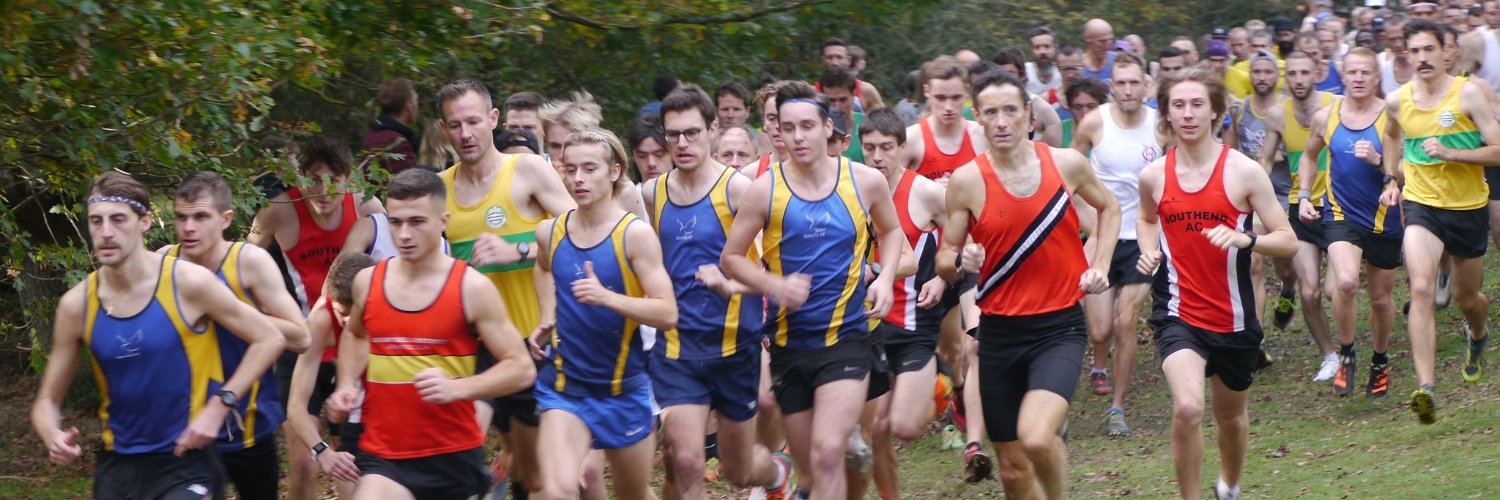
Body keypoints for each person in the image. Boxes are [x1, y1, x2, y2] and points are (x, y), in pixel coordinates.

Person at [32, 172, 286, 499]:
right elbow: (47, 401)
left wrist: (220, 405)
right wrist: (52, 434)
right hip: (119, 465)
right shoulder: (75, 305)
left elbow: (269, 338)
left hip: (186, 459)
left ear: (145, 221)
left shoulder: (188, 283)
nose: (106, 232)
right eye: (96, 221)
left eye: (118, 219)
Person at [936, 69, 1120, 500]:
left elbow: (1109, 209)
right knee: (1014, 470)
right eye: (991, 113)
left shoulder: (1066, 164)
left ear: (1029, 117)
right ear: (977, 118)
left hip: (1058, 328)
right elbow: (944, 259)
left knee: (1036, 438)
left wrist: (1102, 264)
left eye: (1010, 111)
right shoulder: (967, 181)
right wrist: (961, 261)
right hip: (998, 333)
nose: (1001, 121)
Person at [720, 81, 905, 500]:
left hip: (847, 338)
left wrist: (888, 279)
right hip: (788, 342)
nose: (798, 136)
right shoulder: (765, 189)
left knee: (826, 454)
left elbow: (891, 231)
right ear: (777, 133)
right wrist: (773, 285)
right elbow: (731, 258)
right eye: (788, 127)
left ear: (828, 127)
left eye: (807, 125)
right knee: (810, 473)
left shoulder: (864, 181)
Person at [1136, 66, 1299, 500]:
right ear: (1166, 115)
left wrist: (1247, 239)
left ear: (1215, 113)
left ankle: (1228, 486)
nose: (1187, 114)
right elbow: (1146, 217)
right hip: (1177, 312)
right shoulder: (1154, 176)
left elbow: (1289, 242)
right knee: (1188, 407)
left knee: (1231, 419)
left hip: (1234, 318)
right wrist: (1148, 248)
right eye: (1178, 106)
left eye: (1197, 105)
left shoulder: (1243, 172)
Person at [324, 168, 537, 499]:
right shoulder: (368, 282)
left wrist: (459, 388)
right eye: (395, 222)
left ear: (443, 221)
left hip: (450, 457)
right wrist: (347, 385)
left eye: (417, 221)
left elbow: (521, 368)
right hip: (384, 453)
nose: (404, 234)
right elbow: (356, 334)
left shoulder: (471, 288)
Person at [640, 85, 794, 500]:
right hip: (677, 349)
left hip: (734, 348)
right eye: (673, 135)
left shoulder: (737, 190)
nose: (682, 144)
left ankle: (776, 473)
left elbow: (769, 272)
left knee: (738, 471)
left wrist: (729, 284)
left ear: (712, 129)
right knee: (686, 461)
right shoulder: (652, 193)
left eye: (692, 133)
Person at [435, 78, 577, 498]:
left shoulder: (526, 170)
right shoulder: (438, 189)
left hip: (532, 341)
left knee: (531, 476)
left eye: (474, 121)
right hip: (471, 345)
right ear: (443, 130)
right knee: (460, 451)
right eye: (455, 124)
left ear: (493, 119)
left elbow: (581, 233)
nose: (465, 133)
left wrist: (515, 249)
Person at [528, 129, 678, 500]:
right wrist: (547, 314)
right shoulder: (551, 232)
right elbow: (543, 267)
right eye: (571, 168)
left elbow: (667, 312)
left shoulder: (635, 235)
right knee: (553, 491)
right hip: (565, 387)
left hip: (622, 389)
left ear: (613, 172)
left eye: (589, 169)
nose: (578, 179)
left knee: (634, 494)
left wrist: (608, 298)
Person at [160, 172, 312, 500]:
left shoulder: (247, 261)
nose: (189, 228)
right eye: (181, 217)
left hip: (247, 425)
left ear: (225, 219)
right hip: (184, 426)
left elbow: (301, 336)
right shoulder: (163, 262)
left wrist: (229, 312)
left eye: (201, 217)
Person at [248, 135, 383, 500]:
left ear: (349, 179)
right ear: (299, 176)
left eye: (333, 181)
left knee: (350, 464)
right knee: (305, 463)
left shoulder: (367, 206)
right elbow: (242, 265)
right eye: (312, 180)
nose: (322, 192)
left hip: (353, 341)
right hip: (304, 341)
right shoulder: (278, 209)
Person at [1385, 19, 1500, 424]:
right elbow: (1390, 135)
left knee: (1469, 300)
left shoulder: (1467, 94)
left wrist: (1453, 154)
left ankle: (1479, 334)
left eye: (1428, 49)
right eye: (1413, 51)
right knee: (1420, 287)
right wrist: (1390, 177)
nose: (1421, 57)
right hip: (1422, 205)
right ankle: (1427, 388)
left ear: (1444, 51)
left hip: (1467, 208)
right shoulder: (1398, 101)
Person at [1294, 48, 1404, 398]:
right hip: (1341, 215)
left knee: (1381, 300)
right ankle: (1346, 354)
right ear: (1344, 76)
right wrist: (1305, 195)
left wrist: (1378, 163)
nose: (1358, 79)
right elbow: (1308, 157)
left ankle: (1380, 361)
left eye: (1365, 73)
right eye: (1352, 72)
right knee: (1343, 282)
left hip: (1384, 217)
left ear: (1376, 78)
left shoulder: (1392, 117)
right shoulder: (1326, 117)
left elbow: (1406, 169)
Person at [855, 107, 949, 499]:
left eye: (886, 148)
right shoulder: (850, 188)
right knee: (874, 432)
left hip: (913, 324)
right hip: (864, 325)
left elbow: (967, 235)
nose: (877, 157)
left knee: (905, 428)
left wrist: (943, 276)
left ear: (902, 148)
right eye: (869, 148)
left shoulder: (925, 191)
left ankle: (940, 385)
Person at [1070, 53, 1163, 437]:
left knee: (1127, 322)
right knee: (1100, 330)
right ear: (1111, 86)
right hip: (1104, 237)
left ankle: (1117, 407)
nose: (1127, 90)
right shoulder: (1095, 122)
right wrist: (1089, 224)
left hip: (1145, 238)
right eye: (1120, 83)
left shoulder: (1161, 126)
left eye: (1134, 82)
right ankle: (1098, 365)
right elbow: (1068, 174)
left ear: (1146, 84)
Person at [1261, 51, 1339, 383]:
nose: (1298, 79)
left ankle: (1346, 346)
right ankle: (1330, 356)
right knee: (1311, 292)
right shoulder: (1278, 115)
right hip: (1300, 207)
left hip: (1338, 206)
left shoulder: (1335, 105)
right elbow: (1264, 161)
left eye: (1304, 72)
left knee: (1337, 289)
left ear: (1317, 73)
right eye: (1292, 73)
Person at [1224, 50, 1294, 369]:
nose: (1262, 77)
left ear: (1276, 76)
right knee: (1253, 264)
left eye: (1268, 71)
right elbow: (1234, 147)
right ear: (1250, 76)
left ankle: (1289, 289)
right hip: (1253, 193)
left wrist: (1279, 157)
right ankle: (1258, 340)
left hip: (1284, 191)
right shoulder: (1241, 110)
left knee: (1285, 266)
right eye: (1257, 72)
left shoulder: (1285, 110)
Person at [286, 252, 373, 492]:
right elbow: (296, 405)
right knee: (346, 480)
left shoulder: (389, 301)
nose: (348, 322)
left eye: (355, 313)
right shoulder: (321, 320)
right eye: (341, 314)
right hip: (349, 404)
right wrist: (321, 451)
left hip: (385, 409)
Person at [901, 56, 988, 183]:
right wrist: (931, 191)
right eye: (941, 98)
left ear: (967, 91)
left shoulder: (983, 136)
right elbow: (891, 194)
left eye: (956, 98)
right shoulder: (910, 139)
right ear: (927, 91)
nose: (948, 107)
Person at [361, 77, 422, 174]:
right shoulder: (398, 143)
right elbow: (411, 185)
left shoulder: (371, 135)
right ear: (409, 104)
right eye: (416, 101)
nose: (417, 106)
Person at [818, 38, 885, 110]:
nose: (835, 63)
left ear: (849, 60)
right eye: (829, 57)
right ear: (823, 61)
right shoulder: (813, 93)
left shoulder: (867, 91)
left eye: (839, 57)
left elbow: (882, 119)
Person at [820, 66, 867, 163]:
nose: (837, 106)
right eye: (831, 100)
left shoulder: (867, 124)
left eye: (843, 100)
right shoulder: (812, 128)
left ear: (854, 94)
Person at [628, 115, 672, 182]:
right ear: (633, 157)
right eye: (642, 156)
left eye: (659, 154)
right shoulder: (631, 192)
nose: (651, 163)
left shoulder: (692, 191)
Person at [1026, 27, 1063, 97]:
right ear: (1031, 50)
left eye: (1047, 46)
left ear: (1055, 48)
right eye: (1037, 47)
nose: (1042, 52)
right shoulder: (1024, 73)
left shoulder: (1062, 74)